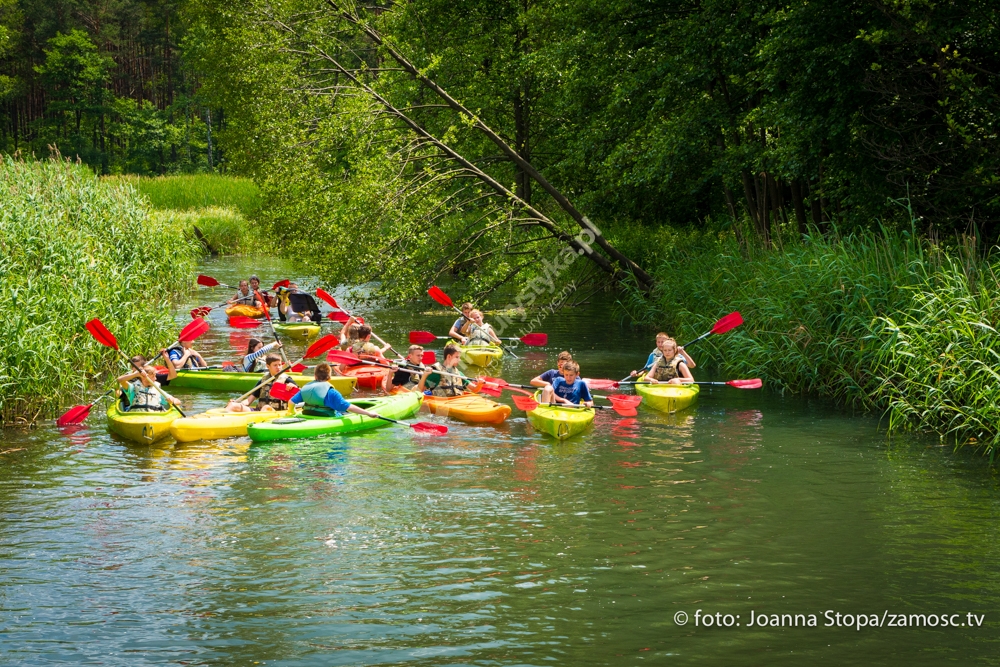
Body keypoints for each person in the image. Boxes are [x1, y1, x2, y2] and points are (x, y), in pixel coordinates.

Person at [289, 363, 382, 418]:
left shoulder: (306, 388)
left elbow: (291, 402)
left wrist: (293, 413)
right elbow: (349, 407)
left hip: (307, 414)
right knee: (345, 412)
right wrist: (369, 413)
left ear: (315, 376)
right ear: (329, 377)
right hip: (326, 417)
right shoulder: (331, 392)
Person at [226, 354, 297, 412]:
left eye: (280, 365)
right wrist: (237, 403)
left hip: (276, 412)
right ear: (268, 366)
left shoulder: (287, 379)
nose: (278, 367)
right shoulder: (263, 381)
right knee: (232, 405)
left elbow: (300, 393)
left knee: (266, 407)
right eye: (275, 365)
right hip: (259, 411)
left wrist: (293, 386)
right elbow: (248, 401)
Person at [116, 350, 181, 412]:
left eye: (138, 367)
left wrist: (167, 359)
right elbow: (119, 381)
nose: (135, 369)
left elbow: (173, 376)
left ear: (144, 367)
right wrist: (135, 374)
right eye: (133, 366)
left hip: (152, 415)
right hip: (134, 412)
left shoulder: (154, 380)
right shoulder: (132, 384)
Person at [630, 332, 696, 377]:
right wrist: (637, 374)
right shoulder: (653, 355)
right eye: (659, 342)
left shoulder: (676, 355)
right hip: (657, 379)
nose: (661, 344)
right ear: (656, 343)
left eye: (662, 342)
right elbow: (645, 369)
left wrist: (683, 352)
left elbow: (692, 365)